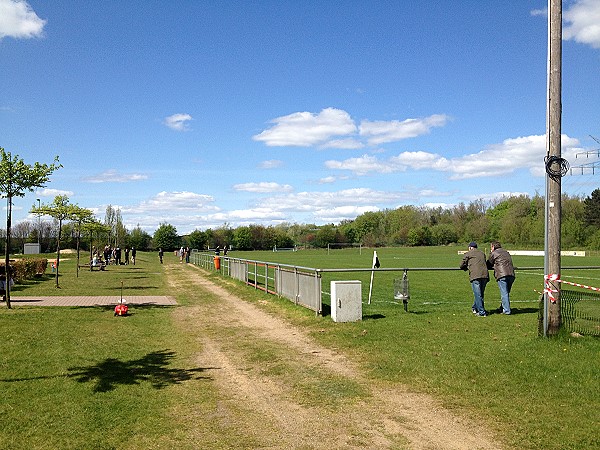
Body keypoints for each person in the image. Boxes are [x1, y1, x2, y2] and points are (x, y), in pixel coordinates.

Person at [460, 241, 489, 317]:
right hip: (485, 275)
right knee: (480, 294)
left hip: (475, 275)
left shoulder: (468, 254)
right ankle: (475, 308)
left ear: (470, 247)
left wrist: (465, 268)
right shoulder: (482, 253)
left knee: (477, 294)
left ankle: (482, 312)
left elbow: (461, 265)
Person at [487, 241, 515, 315]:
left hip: (502, 274)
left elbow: (489, 263)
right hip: (511, 274)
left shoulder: (494, 253)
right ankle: (502, 307)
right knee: (506, 292)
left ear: (493, 247)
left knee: (504, 293)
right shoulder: (506, 252)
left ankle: (506, 310)